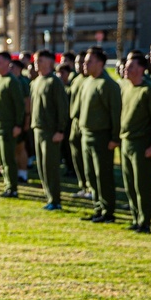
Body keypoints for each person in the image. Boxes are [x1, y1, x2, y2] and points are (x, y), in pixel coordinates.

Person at [119, 52, 151, 233]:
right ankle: (135, 216)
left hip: (141, 143)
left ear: (141, 69)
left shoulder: (148, 91)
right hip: (126, 141)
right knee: (129, 183)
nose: (126, 69)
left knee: (142, 184)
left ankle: (145, 220)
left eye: (130, 67)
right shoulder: (126, 87)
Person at [78, 47, 122, 223]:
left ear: (100, 63)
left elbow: (115, 113)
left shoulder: (108, 84)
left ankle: (107, 210)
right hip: (86, 134)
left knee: (102, 174)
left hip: (101, 136)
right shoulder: (87, 82)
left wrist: (114, 138)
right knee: (90, 174)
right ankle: (97, 207)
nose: (85, 65)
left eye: (89, 61)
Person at [30, 50, 69, 210]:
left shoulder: (54, 82)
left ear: (50, 63)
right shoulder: (36, 81)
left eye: (40, 60)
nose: (36, 63)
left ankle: (55, 199)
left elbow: (62, 107)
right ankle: (49, 197)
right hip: (38, 128)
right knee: (42, 166)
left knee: (51, 166)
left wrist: (60, 130)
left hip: (51, 130)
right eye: (36, 60)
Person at [0, 52, 26, 197]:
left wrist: (18, 125)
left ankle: (12, 188)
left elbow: (19, 106)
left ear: (8, 64)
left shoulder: (12, 81)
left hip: (9, 126)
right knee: (1, 158)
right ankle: (7, 185)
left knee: (9, 158)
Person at [68, 51, 91, 199]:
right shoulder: (76, 79)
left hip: (86, 123)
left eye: (82, 62)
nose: (80, 66)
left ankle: (91, 186)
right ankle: (83, 184)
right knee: (76, 154)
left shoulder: (90, 80)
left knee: (87, 157)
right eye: (77, 63)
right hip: (75, 122)